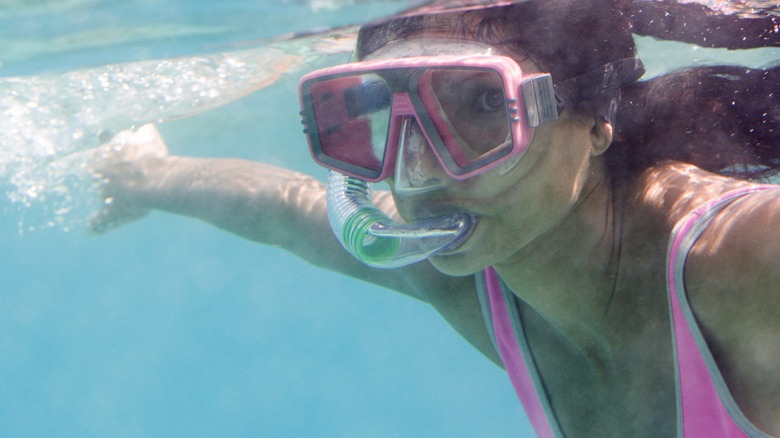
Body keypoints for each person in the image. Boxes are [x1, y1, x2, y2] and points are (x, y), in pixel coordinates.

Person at [89, 0, 780, 436]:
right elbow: (284, 209)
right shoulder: (476, 283)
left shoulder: (738, 256)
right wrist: (147, 177)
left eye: (480, 107)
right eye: (381, 115)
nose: (415, 174)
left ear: (595, 121)